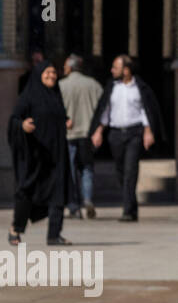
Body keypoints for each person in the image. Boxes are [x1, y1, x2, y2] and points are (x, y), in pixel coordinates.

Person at [89, 54, 166, 222]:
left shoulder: (140, 88)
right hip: (116, 133)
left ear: (126, 70)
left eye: (115, 67)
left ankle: (127, 211)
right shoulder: (112, 87)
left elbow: (146, 110)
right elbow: (105, 111)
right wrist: (98, 131)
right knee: (120, 170)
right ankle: (132, 206)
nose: (111, 70)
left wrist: (148, 131)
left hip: (135, 133)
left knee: (131, 170)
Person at [8, 59, 73, 246]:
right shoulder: (28, 97)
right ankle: (16, 229)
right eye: (48, 73)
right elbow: (14, 120)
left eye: (54, 73)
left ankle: (54, 235)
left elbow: (57, 116)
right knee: (26, 192)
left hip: (56, 155)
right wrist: (22, 125)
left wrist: (66, 121)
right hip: (35, 155)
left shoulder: (55, 95)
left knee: (58, 194)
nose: (52, 76)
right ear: (39, 75)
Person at [59, 54, 104, 220]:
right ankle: (87, 199)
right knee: (87, 169)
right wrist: (99, 130)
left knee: (69, 170)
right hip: (87, 134)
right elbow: (104, 108)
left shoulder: (61, 85)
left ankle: (73, 205)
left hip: (68, 134)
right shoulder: (93, 85)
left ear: (70, 68)